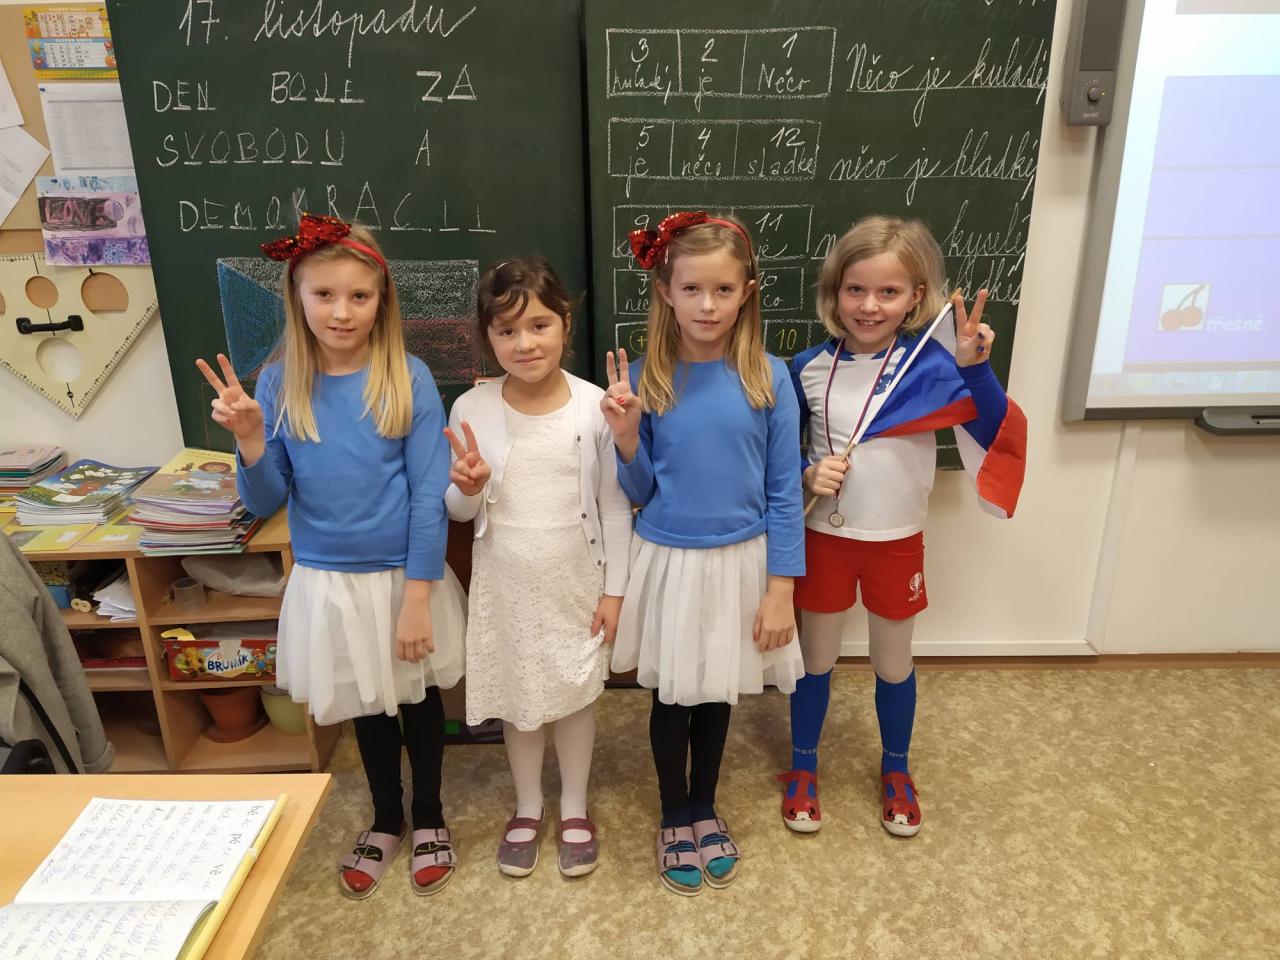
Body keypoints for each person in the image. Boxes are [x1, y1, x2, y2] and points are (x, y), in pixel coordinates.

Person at [195, 214, 466, 898]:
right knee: (364, 702)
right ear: (297, 297)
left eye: (358, 296)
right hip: (328, 580)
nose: (342, 312)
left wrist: (416, 599)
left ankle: (429, 815)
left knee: (417, 698)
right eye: (324, 295)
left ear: (381, 300)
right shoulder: (277, 384)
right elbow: (265, 498)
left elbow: (428, 493)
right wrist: (250, 440)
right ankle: (386, 818)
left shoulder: (407, 377)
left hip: (404, 576)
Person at [780, 214, 1026, 838]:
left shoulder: (932, 367)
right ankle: (803, 765)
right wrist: (808, 472)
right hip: (826, 538)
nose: (869, 306)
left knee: (893, 662)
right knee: (816, 658)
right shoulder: (805, 367)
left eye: (888, 292)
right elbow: (775, 455)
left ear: (917, 296)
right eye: (855, 290)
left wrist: (974, 368)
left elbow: (993, 426)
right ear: (835, 291)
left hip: (896, 542)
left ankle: (896, 767)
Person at [604, 211, 805, 896]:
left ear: (747, 292)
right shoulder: (645, 378)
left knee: (718, 691)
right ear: (666, 291)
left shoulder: (770, 378)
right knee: (672, 694)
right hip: (669, 560)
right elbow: (639, 489)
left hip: (742, 562)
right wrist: (627, 438)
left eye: (722, 290)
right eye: (692, 289)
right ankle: (673, 812)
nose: (707, 305)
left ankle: (705, 807)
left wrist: (782, 588)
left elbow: (784, 491)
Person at [445, 258, 631, 879]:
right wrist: (467, 486)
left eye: (539, 326)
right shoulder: (471, 406)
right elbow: (459, 509)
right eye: (506, 331)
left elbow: (613, 506)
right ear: (488, 336)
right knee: (519, 698)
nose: (524, 343)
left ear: (565, 324)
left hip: (575, 579)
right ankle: (528, 805)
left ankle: (574, 806)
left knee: (574, 698)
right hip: (506, 582)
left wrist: (615, 592)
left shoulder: (594, 405)